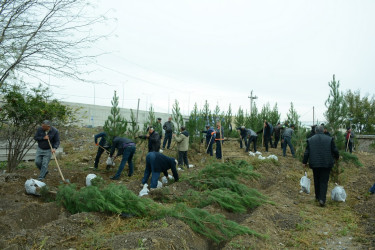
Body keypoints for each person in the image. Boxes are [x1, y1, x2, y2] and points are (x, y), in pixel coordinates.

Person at [303, 125, 340, 207]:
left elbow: (307, 152)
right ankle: (322, 199)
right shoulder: (329, 139)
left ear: (316, 131)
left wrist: (304, 162)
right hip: (326, 163)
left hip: (315, 164)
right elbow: (335, 150)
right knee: (324, 181)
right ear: (324, 131)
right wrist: (337, 157)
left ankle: (317, 197)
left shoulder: (310, 139)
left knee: (316, 180)